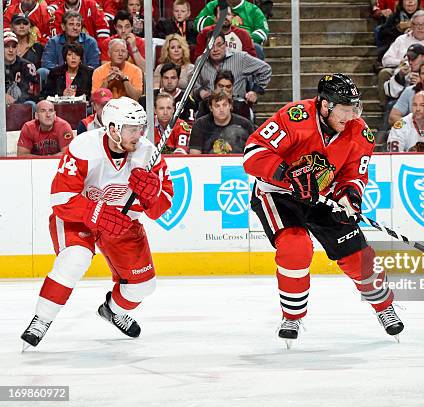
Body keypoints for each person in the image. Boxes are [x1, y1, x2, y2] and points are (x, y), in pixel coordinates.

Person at [243, 73, 404, 345]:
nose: (351, 115)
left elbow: (354, 175)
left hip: (323, 196)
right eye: (345, 108)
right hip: (279, 193)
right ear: (326, 105)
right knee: (295, 247)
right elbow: (253, 154)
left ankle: (384, 307)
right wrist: (287, 174)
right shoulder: (294, 118)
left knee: (357, 256)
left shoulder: (359, 132)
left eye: (355, 107)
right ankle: (292, 316)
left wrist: (348, 199)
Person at [20, 97, 173, 350]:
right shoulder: (84, 147)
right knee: (75, 258)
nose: (139, 135)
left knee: (144, 286)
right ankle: (42, 319)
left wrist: (151, 195)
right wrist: (98, 214)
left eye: (141, 128)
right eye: (132, 129)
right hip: (78, 217)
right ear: (113, 129)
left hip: (123, 223)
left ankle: (112, 310)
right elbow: (61, 199)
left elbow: (161, 208)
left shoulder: (148, 153)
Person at [194, 32, 271, 105]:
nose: (215, 49)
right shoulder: (200, 61)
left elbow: (266, 69)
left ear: (225, 45)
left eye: (219, 45)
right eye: (211, 46)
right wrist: (200, 92)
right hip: (209, 106)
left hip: (237, 106)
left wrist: (255, 91)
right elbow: (195, 85)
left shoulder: (240, 58)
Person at [195, 0, 269, 60]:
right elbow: (198, 24)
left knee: (257, 48)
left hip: (244, 43)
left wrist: (249, 39)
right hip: (215, 40)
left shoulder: (253, 9)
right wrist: (218, 19)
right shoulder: (213, 5)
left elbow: (262, 30)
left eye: (228, 14)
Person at [189, 90, 254, 154]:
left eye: (224, 105)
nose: (221, 109)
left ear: (230, 106)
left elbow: (254, 152)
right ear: (211, 108)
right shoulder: (200, 125)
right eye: (217, 106)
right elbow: (194, 155)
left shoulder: (245, 125)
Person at [4, 31, 39, 107]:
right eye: (6, 46)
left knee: (31, 104)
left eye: (14, 46)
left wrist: (15, 103)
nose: (11, 50)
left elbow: (31, 94)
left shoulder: (28, 66)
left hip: (22, 106)